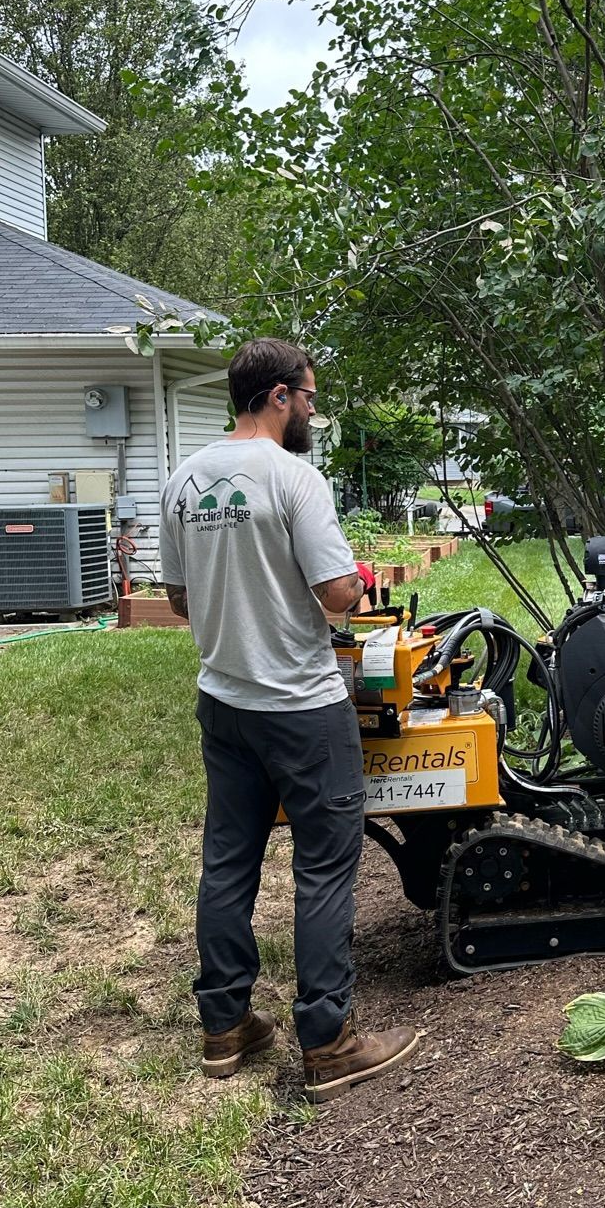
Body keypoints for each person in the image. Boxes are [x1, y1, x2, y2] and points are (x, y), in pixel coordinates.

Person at [159, 337, 420, 1103]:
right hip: (302, 706)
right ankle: (328, 1040)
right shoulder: (294, 479)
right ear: (276, 395)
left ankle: (225, 1025)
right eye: (306, 395)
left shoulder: (184, 479)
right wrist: (359, 576)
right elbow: (340, 593)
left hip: (225, 701)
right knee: (325, 864)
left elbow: (178, 600)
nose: (310, 408)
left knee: (229, 860)